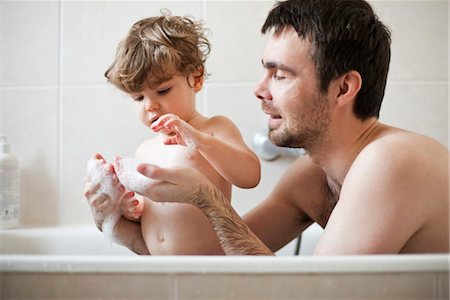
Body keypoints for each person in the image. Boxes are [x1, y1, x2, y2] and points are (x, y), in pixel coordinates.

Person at [86, 0, 449, 255]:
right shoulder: (313, 177)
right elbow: (221, 261)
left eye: (280, 74)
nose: (260, 90)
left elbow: (316, 296)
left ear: (343, 88)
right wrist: (122, 230)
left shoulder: (392, 161)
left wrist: (208, 199)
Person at [84, 11, 260, 255]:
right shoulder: (144, 150)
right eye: (138, 97)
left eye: (163, 91)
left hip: (207, 268)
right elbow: (156, 213)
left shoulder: (214, 128)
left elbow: (250, 176)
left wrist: (197, 140)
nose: (150, 106)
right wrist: (129, 208)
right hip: (159, 269)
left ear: (196, 78)